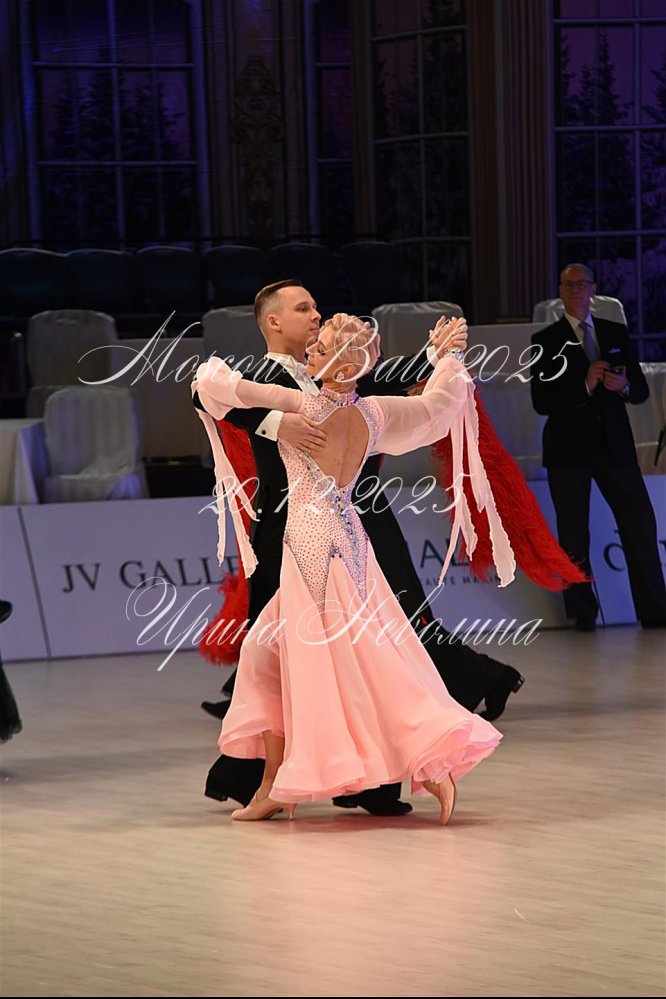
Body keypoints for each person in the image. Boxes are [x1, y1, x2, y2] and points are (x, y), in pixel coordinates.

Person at [197, 280, 523, 815]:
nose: (315, 322)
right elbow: (434, 406)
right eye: (305, 310)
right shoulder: (368, 410)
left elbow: (212, 384)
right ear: (273, 321)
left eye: (321, 328)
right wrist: (445, 360)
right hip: (338, 536)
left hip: (309, 542)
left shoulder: (307, 397)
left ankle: (334, 778)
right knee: (290, 656)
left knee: (338, 662)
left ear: (336, 360)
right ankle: (288, 784)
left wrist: (283, 415)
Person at [530, 264, 666, 630]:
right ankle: (583, 613)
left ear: (594, 289)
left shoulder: (615, 332)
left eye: (582, 284)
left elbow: (640, 391)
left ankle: (655, 609)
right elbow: (541, 401)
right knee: (574, 533)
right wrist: (584, 385)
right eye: (569, 284)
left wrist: (623, 386)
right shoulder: (546, 340)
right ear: (561, 290)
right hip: (568, 450)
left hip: (614, 446)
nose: (576, 289)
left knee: (640, 523)